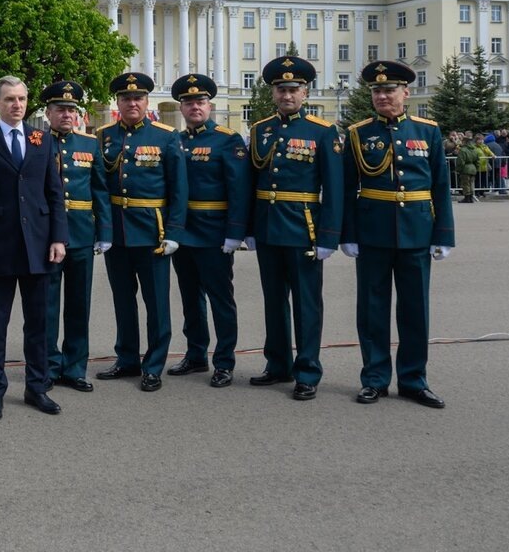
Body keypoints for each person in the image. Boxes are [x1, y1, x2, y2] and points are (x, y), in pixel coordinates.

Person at [341, 61, 455, 408]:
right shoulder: (358, 133)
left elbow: (440, 185)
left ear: (406, 93)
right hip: (373, 231)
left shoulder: (427, 131)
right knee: (372, 310)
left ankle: (413, 380)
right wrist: (348, 233)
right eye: (376, 90)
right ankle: (375, 378)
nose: (382, 96)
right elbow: (348, 188)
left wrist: (444, 234)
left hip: (417, 232)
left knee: (415, 310)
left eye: (389, 90)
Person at [0, 76, 68, 420]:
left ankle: (36, 387)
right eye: (10, 99)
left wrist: (58, 238)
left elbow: (55, 194)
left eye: (22, 99)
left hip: (39, 245)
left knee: (39, 322)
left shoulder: (42, 139)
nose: (17, 105)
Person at [247, 56, 343, 401]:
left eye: (293, 89)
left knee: (306, 304)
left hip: (304, 229)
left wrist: (330, 236)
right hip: (268, 227)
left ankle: (307, 371)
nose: (287, 95)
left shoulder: (322, 131)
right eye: (280, 89)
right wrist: (248, 228)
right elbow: (251, 182)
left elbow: (334, 188)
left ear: (305, 92)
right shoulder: (260, 129)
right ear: (272, 92)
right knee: (273, 301)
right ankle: (277, 365)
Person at [95, 72, 187, 393]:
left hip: (153, 233)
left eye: (138, 98)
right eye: (125, 98)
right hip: (117, 232)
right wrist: (100, 229)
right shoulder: (104, 136)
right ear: (117, 103)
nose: (132, 103)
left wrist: (174, 231)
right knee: (123, 300)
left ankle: (154, 365)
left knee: (156, 303)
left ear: (147, 102)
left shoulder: (166, 136)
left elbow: (179, 189)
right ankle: (127, 358)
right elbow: (100, 187)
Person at [167, 73, 252, 388]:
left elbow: (239, 189)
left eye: (200, 101)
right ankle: (196, 354)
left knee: (220, 299)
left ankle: (225, 361)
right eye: (188, 102)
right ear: (182, 107)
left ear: (209, 105)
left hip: (215, 233)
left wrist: (236, 233)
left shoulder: (227, 140)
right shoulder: (177, 140)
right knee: (190, 298)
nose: (194, 107)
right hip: (183, 232)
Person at [40, 80, 111, 393]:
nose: (66, 114)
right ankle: (48, 365)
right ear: (48, 113)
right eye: (60, 109)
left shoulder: (89, 144)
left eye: (71, 109)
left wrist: (104, 231)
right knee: (47, 305)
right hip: (47, 235)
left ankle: (75, 367)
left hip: (82, 233)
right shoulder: (36, 142)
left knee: (79, 304)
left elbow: (100, 190)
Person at [456, 135, 481, 203]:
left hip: (466, 168)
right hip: (473, 168)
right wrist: (476, 168)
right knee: (471, 183)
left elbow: (461, 161)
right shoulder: (474, 149)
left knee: (465, 184)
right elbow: (477, 160)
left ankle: (467, 197)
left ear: (464, 141)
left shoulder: (463, 150)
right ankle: (471, 197)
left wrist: (458, 169)